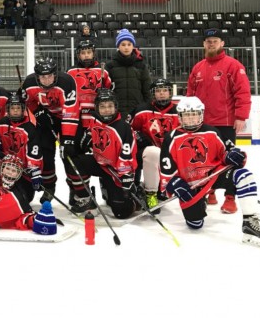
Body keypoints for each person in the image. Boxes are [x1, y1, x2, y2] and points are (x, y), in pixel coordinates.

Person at [159, 96, 260, 247]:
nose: (191, 119)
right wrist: (176, 185)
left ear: (201, 114)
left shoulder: (212, 132)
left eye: (194, 114)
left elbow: (227, 153)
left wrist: (232, 155)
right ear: (180, 117)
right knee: (195, 223)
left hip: (214, 176)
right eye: (187, 115)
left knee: (243, 175)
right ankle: (201, 202)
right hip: (191, 185)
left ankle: (250, 221)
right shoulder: (171, 138)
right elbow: (166, 172)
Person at [187, 27, 251, 214]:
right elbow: (190, 95)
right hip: (203, 124)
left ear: (222, 43)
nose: (211, 43)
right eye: (208, 41)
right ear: (204, 44)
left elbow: (243, 92)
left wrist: (241, 116)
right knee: (205, 159)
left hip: (226, 123)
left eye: (215, 40)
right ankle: (210, 192)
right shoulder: (198, 67)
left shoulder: (233, 65)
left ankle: (230, 197)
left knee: (231, 160)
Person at [69, 89, 138, 217]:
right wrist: (84, 141)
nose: (106, 110)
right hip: (100, 164)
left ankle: (135, 192)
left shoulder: (123, 127)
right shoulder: (95, 121)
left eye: (110, 106)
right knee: (75, 162)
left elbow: (127, 154)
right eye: (102, 106)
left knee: (122, 212)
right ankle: (86, 198)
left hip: (115, 170)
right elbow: (86, 142)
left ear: (116, 107)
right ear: (97, 108)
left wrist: (126, 176)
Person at [22, 57, 79, 199]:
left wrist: (68, 139)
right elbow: (25, 104)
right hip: (45, 120)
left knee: (69, 153)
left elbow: (71, 111)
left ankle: (75, 188)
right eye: (43, 77)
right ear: (37, 76)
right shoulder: (29, 83)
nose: (46, 80)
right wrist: (37, 112)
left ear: (55, 74)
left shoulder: (66, 82)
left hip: (65, 118)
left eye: (49, 76)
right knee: (46, 153)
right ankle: (49, 187)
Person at [128, 78, 181, 209]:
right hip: (148, 154)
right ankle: (149, 192)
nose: (162, 93)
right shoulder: (142, 110)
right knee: (152, 153)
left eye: (165, 90)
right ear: (153, 93)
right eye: (158, 91)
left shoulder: (179, 112)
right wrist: (137, 136)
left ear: (170, 93)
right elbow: (128, 130)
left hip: (170, 155)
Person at [0, 90, 43, 203]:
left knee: (25, 198)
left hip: (23, 171)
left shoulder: (29, 127)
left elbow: (34, 152)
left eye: (18, 108)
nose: (15, 111)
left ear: (23, 110)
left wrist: (34, 172)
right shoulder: (2, 122)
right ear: (8, 110)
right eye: (12, 108)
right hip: (5, 167)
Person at [105, 28, 152, 117]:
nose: (126, 47)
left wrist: (147, 108)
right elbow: (106, 89)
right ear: (118, 46)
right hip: (116, 111)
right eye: (123, 44)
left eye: (129, 44)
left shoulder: (141, 65)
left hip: (137, 110)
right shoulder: (110, 66)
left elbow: (147, 90)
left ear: (133, 46)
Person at [67, 39, 112, 129]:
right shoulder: (71, 72)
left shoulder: (102, 70)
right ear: (78, 55)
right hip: (77, 115)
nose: (86, 55)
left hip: (97, 115)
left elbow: (109, 89)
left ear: (93, 54)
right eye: (83, 53)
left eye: (89, 52)